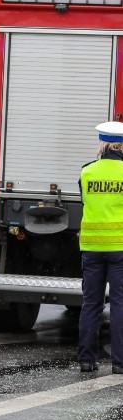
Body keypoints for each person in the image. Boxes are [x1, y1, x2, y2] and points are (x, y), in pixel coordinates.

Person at [78, 121, 123, 373]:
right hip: (120, 248)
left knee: (91, 304)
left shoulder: (87, 172)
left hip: (92, 248)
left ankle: (86, 360)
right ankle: (120, 363)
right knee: (119, 304)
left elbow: (85, 202)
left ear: (102, 144)